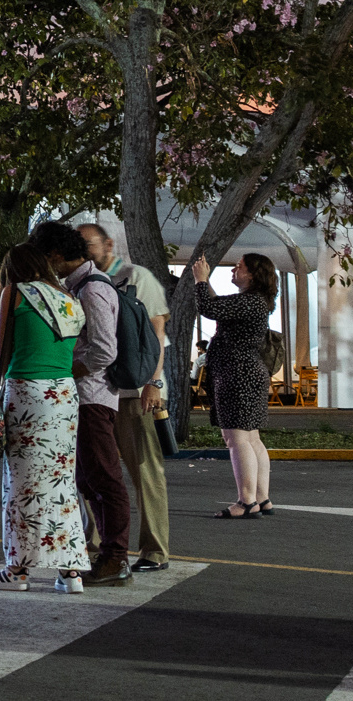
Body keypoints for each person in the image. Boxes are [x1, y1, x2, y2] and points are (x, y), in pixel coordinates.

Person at [0, 241, 90, 593]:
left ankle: (17, 571)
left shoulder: (15, 293)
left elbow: (3, 350)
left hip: (26, 390)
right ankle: (70, 572)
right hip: (64, 394)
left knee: (21, 485)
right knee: (60, 483)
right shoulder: (70, 299)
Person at [33, 219, 130, 587]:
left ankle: (115, 557)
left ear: (57, 256)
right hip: (83, 397)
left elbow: (105, 349)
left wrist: (70, 369)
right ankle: (106, 553)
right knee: (88, 479)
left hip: (92, 396)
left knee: (104, 478)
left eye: (45, 259)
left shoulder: (92, 290)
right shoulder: (78, 286)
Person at [76, 219, 172, 568]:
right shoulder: (80, 283)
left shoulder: (135, 277)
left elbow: (156, 333)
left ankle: (154, 549)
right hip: (97, 392)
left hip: (133, 390)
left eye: (88, 244)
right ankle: (98, 545)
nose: (83, 250)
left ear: (108, 245)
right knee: (92, 471)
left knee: (144, 470)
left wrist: (154, 382)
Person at [191, 251, 278, 518]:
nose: (233, 271)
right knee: (251, 437)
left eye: (238, 267)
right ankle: (261, 499)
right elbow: (218, 305)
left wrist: (200, 280)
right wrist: (205, 282)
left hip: (236, 373)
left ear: (252, 274)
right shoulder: (254, 301)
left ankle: (246, 501)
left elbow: (208, 308)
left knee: (236, 438)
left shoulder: (250, 302)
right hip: (247, 372)